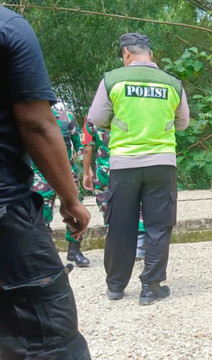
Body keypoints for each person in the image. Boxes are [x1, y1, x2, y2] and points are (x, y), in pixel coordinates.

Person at [0, 6, 91, 359]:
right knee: (49, 342)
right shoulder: (9, 28)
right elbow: (37, 125)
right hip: (7, 216)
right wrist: (71, 199)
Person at [87, 32, 189, 305]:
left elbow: (96, 118)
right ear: (151, 55)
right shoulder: (172, 83)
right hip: (161, 164)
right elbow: (183, 124)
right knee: (158, 226)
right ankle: (151, 288)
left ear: (126, 54)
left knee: (120, 225)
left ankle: (116, 287)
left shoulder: (113, 79)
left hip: (124, 164)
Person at [32, 108, 91, 267]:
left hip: (65, 173)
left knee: (76, 213)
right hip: (39, 176)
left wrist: (82, 165)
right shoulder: (28, 115)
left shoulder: (66, 117)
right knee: (39, 216)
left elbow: (80, 144)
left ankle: (74, 251)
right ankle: (45, 256)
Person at [82, 118, 146, 259]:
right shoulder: (128, 109)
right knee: (137, 202)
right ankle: (140, 244)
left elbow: (87, 148)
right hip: (129, 164)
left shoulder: (92, 117)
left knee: (106, 203)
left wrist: (86, 172)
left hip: (105, 170)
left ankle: (118, 245)